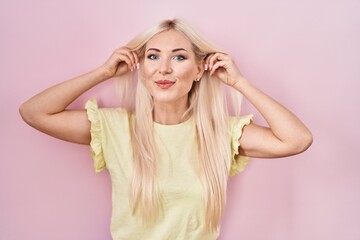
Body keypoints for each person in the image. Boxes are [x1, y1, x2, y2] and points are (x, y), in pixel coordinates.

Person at [19, 19, 312, 239]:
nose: (164, 68)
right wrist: (104, 72)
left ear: (199, 70)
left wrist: (239, 83)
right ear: (142, 68)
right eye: (153, 56)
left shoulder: (220, 133)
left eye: (179, 57)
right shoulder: (116, 128)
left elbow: (297, 140)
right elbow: (33, 112)